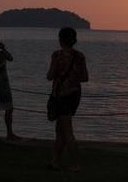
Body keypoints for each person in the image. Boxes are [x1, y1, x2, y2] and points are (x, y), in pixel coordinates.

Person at [46, 27, 88, 171]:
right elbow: (84, 78)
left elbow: (50, 76)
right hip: (75, 95)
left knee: (67, 131)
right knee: (60, 130)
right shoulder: (80, 56)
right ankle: (55, 161)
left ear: (60, 39)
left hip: (61, 96)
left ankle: (76, 164)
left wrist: (58, 72)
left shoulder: (57, 55)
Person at [0, 34, 18, 141]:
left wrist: (2, 49)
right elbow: (10, 58)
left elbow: (10, 58)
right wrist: (3, 48)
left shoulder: (0, 53)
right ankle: (5, 134)